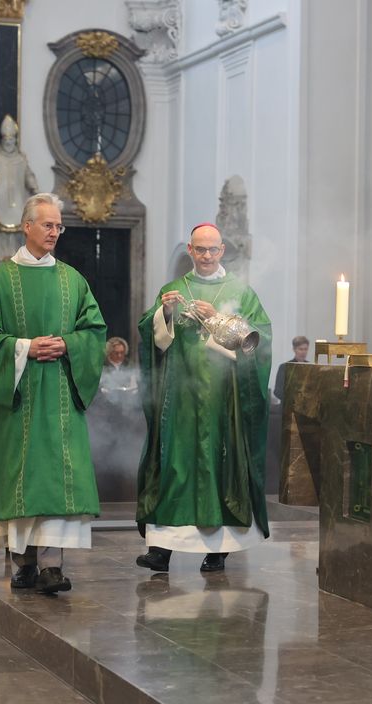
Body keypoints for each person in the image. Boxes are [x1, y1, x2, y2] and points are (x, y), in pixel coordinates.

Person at [0, 192, 107, 594]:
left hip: (60, 395)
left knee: (59, 482)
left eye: (59, 226)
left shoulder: (72, 279)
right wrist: (24, 347)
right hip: (18, 397)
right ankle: (22, 563)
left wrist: (68, 345)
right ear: (26, 226)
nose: (54, 232)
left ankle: (51, 565)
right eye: (48, 225)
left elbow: (94, 332)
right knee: (19, 481)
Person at [135, 222, 272, 573]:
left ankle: (219, 549)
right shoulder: (173, 288)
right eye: (200, 249)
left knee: (218, 467)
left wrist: (219, 319)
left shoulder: (241, 292)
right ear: (191, 251)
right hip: (179, 397)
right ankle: (162, 548)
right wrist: (164, 313)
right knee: (175, 465)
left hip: (223, 398)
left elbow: (260, 340)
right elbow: (153, 337)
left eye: (213, 249)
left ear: (222, 250)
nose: (207, 255)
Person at [0, 115, 39, 261]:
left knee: (18, 227)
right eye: (6, 140)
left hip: (18, 198)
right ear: (2, 140)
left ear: (15, 140)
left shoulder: (21, 159)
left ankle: (16, 252)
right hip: (1, 199)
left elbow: (28, 175)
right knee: (0, 226)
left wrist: (35, 188)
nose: (9, 142)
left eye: (11, 139)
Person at [272, 335, 309, 401]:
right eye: (300, 349)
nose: (303, 352)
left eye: (305, 349)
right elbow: (277, 391)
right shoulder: (284, 367)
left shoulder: (311, 368)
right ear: (294, 349)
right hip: (288, 407)